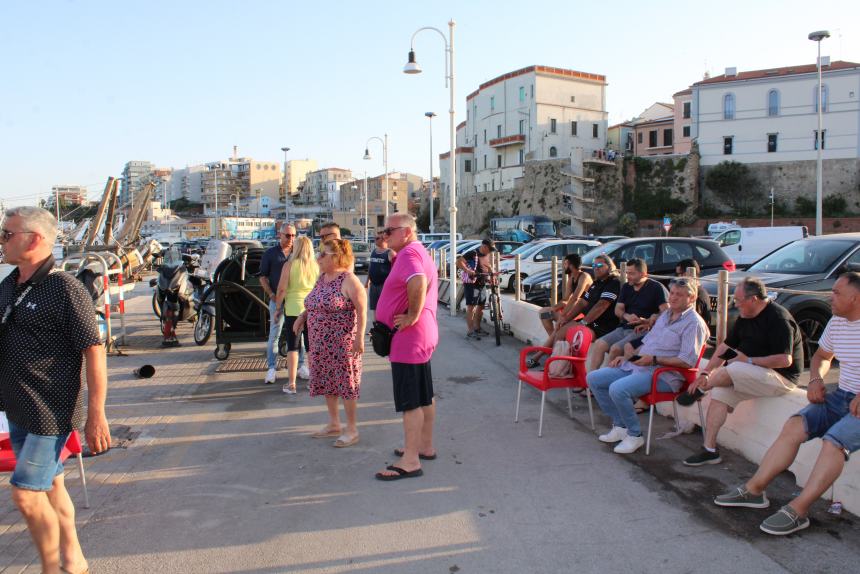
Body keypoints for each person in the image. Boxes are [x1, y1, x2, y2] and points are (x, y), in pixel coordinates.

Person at [0, 206, 111, 574]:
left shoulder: (65, 288)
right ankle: (74, 561)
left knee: (25, 494)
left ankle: (51, 569)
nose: (1, 240)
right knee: (51, 490)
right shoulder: (9, 284)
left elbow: (94, 351)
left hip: (51, 412)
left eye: (6, 234)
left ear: (34, 239)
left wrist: (97, 415)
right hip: (17, 407)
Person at [713, 273, 860, 536]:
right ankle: (754, 490)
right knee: (794, 425)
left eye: (836, 293)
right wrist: (815, 379)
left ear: (855, 297)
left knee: (834, 441)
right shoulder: (838, 321)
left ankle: (799, 509)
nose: (830, 296)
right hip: (842, 395)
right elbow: (823, 356)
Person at [682, 277, 804, 466]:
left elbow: (785, 360)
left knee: (735, 367)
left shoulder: (778, 319)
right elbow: (726, 347)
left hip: (780, 378)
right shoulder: (746, 316)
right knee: (720, 393)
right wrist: (706, 372)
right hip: (751, 372)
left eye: (738, 300)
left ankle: (700, 389)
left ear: (753, 299)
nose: (735, 304)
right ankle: (710, 450)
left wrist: (748, 360)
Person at [586, 279, 709, 454]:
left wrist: (654, 360)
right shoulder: (665, 316)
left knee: (617, 389)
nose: (673, 298)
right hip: (641, 365)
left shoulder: (694, 323)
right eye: (672, 293)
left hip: (665, 375)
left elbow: (687, 360)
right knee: (594, 378)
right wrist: (626, 357)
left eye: (679, 295)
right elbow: (647, 342)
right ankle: (620, 426)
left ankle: (635, 435)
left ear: (692, 297)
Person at [374, 213, 439, 481]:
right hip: (419, 336)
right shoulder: (414, 252)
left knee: (410, 398)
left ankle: (410, 460)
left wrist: (412, 314)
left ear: (407, 232)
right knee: (424, 394)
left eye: (389, 230)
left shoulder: (410, 255)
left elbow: (418, 281)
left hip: (409, 338)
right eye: (384, 230)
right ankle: (423, 445)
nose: (384, 235)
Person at [294, 239, 366, 447]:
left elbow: (362, 312)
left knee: (346, 384)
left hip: (342, 345)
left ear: (337, 257)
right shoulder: (322, 278)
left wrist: (359, 338)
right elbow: (316, 302)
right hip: (319, 343)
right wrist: (302, 316)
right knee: (327, 382)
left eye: (323, 254)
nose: (318, 258)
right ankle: (334, 423)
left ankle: (351, 429)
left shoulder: (349, 280)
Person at [527, 254, 620, 368]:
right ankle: (555, 363)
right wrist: (564, 317)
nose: (596, 267)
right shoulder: (590, 281)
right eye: (594, 265)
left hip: (599, 326)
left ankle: (551, 361)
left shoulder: (610, 282)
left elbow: (599, 305)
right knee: (552, 323)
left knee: (567, 332)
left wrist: (581, 322)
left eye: (599, 265)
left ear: (609, 267)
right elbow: (579, 302)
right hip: (584, 320)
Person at [594, 258, 668, 368]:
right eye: (627, 273)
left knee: (616, 348)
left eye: (631, 273)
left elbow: (666, 312)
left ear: (643, 274)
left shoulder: (656, 288)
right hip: (623, 327)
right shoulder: (627, 286)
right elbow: (618, 310)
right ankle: (590, 380)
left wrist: (648, 320)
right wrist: (626, 316)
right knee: (599, 344)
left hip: (642, 330)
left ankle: (606, 379)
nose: (628, 276)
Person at [260, 223, 307, 384]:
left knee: (298, 335)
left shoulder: (298, 253)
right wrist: (272, 294)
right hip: (278, 300)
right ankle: (272, 368)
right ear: (280, 235)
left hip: (296, 301)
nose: (291, 239)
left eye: (294, 235)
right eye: (288, 235)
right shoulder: (270, 254)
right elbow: (263, 277)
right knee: (275, 334)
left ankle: (301, 366)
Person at [274, 236, 318, 394]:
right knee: (311, 347)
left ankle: (291, 384)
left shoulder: (289, 265)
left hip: (293, 309)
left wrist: (277, 308)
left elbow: (281, 289)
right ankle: (313, 382)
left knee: (293, 346)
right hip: (312, 310)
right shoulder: (315, 266)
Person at [537, 253, 592, 337]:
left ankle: (552, 343)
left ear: (571, 265)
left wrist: (563, 316)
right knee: (543, 314)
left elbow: (575, 298)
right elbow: (566, 299)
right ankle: (553, 340)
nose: (564, 266)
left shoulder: (584, 276)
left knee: (559, 322)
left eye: (565, 263)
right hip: (573, 310)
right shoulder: (572, 278)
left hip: (583, 313)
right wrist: (554, 309)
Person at [457, 239, 496, 340]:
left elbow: (488, 266)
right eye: (490, 249)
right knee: (471, 307)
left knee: (481, 306)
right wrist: (468, 270)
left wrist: (492, 276)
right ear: (484, 246)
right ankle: (470, 331)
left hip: (482, 284)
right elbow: (459, 262)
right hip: (471, 283)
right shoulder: (473, 253)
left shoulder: (487, 255)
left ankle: (478, 328)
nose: (490, 251)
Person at [365, 231, 393, 326]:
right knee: (374, 307)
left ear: (384, 239)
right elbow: (370, 267)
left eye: (377, 238)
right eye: (375, 238)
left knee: (384, 307)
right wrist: (367, 281)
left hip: (384, 286)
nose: (374, 240)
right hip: (373, 285)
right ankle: (376, 327)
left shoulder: (390, 253)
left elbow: (395, 270)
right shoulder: (374, 251)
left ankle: (385, 326)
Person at [675, 258, 711, 323]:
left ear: (688, 274)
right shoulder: (697, 290)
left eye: (680, 274)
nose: (678, 277)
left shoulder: (698, 295)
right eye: (677, 274)